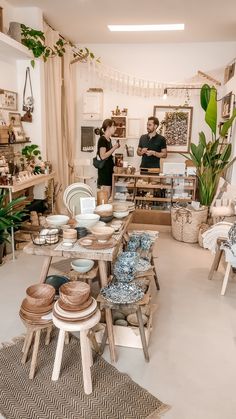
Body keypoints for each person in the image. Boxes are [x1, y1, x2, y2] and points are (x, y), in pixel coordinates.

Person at [96, 118, 120, 198]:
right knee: (105, 196)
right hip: (104, 171)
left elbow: (109, 156)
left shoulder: (109, 139)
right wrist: (114, 148)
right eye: (114, 126)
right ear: (108, 127)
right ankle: (102, 210)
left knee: (108, 195)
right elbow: (103, 156)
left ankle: (104, 210)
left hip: (109, 170)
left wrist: (113, 166)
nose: (115, 128)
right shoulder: (102, 139)